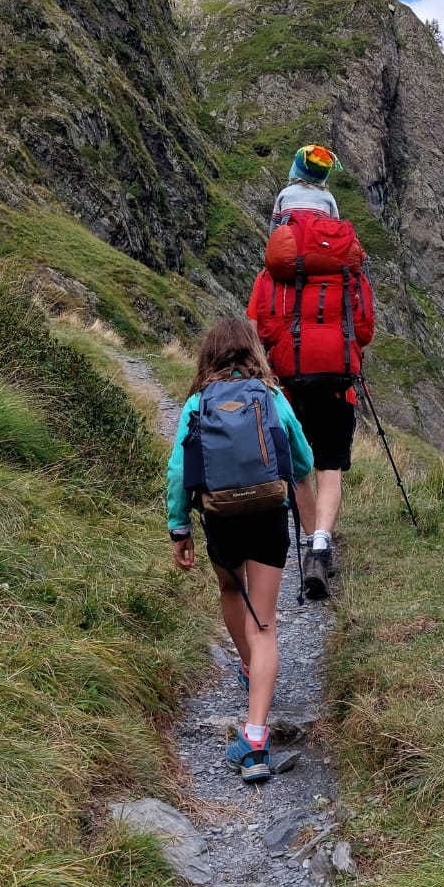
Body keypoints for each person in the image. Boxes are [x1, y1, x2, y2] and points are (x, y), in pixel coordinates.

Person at [167, 318, 314, 782]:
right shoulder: (270, 397)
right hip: (269, 512)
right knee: (265, 623)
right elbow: (305, 459)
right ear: (254, 352)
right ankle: (255, 738)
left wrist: (179, 528)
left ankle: (250, 670)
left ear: (208, 355)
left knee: (232, 589)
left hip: (219, 516)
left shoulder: (197, 403)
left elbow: (177, 471)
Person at [249, 158, 375, 599]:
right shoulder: (350, 265)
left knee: (299, 463)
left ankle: (307, 543)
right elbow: (364, 329)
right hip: (338, 380)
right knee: (330, 465)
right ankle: (322, 545)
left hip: (289, 381)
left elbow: (258, 326)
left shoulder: (274, 268)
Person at [270, 143, 340, 226]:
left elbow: (275, 223)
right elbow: (335, 224)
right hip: (318, 238)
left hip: (290, 238)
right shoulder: (328, 197)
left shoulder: (285, 194)